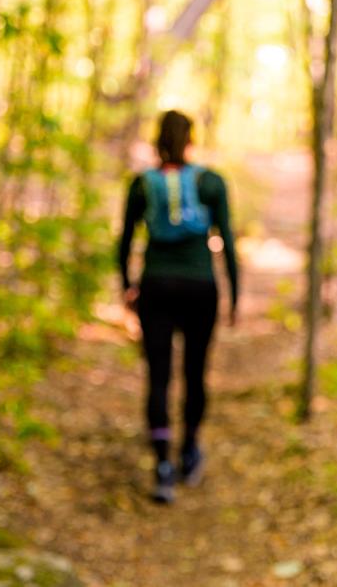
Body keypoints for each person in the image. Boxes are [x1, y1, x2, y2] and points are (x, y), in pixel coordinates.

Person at [118, 110, 238, 504]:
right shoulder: (211, 182)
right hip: (200, 288)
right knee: (195, 372)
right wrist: (234, 295)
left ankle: (162, 467)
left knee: (158, 376)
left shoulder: (141, 185)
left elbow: (123, 243)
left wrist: (127, 288)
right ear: (190, 139)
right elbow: (228, 242)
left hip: (155, 287)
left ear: (157, 140)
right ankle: (189, 450)